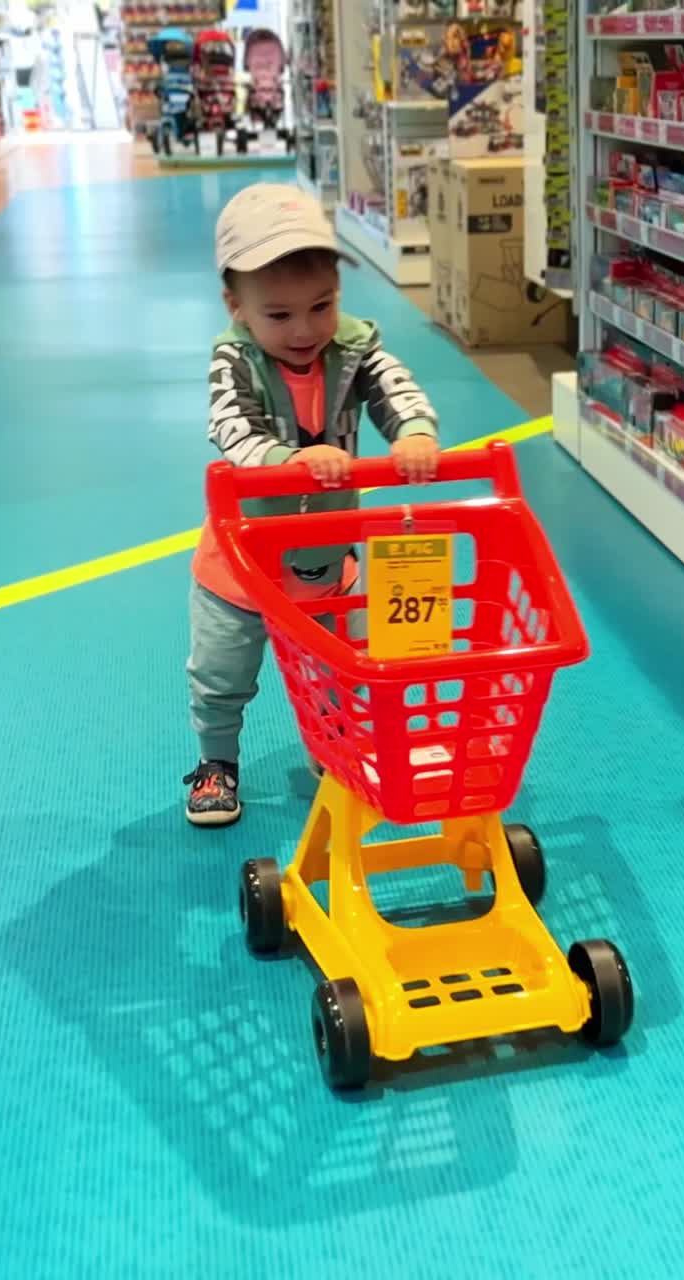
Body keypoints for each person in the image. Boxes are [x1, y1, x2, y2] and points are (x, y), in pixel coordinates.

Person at [184, 183, 441, 828]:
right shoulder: (233, 359)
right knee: (222, 672)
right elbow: (231, 428)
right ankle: (217, 763)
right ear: (235, 307)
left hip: (325, 559)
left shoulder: (352, 347)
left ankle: (333, 746)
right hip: (240, 565)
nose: (304, 329)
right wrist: (285, 459)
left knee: (332, 667)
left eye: (320, 306)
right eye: (279, 315)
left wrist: (413, 431)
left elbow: (393, 385)